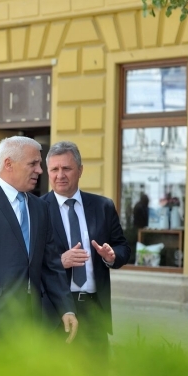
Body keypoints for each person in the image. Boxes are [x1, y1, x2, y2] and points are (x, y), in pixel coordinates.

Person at [0, 136, 78, 344]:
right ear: (8, 164)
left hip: (33, 322)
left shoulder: (40, 208)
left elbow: (51, 265)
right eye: (33, 163)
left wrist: (66, 308)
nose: (40, 170)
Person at [42, 141, 130, 356]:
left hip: (93, 310)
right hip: (55, 311)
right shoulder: (37, 209)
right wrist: (60, 261)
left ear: (80, 170)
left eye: (67, 168)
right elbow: (27, 260)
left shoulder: (103, 207)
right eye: (54, 169)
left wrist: (111, 256)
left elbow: (123, 248)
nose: (60, 175)